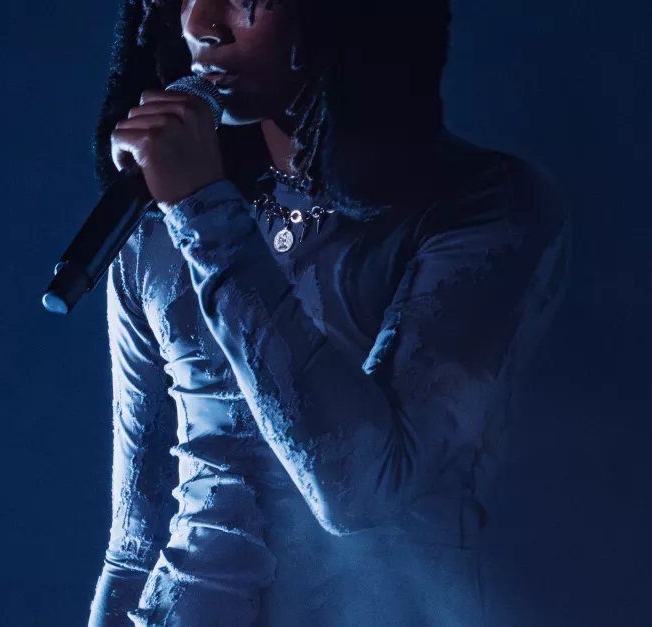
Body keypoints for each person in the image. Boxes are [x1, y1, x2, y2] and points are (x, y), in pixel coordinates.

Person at [85, 0, 571, 624]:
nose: (200, 23)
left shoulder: (485, 209)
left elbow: (359, 492)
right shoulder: (157, 233)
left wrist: (207, 214)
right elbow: (133, 546)